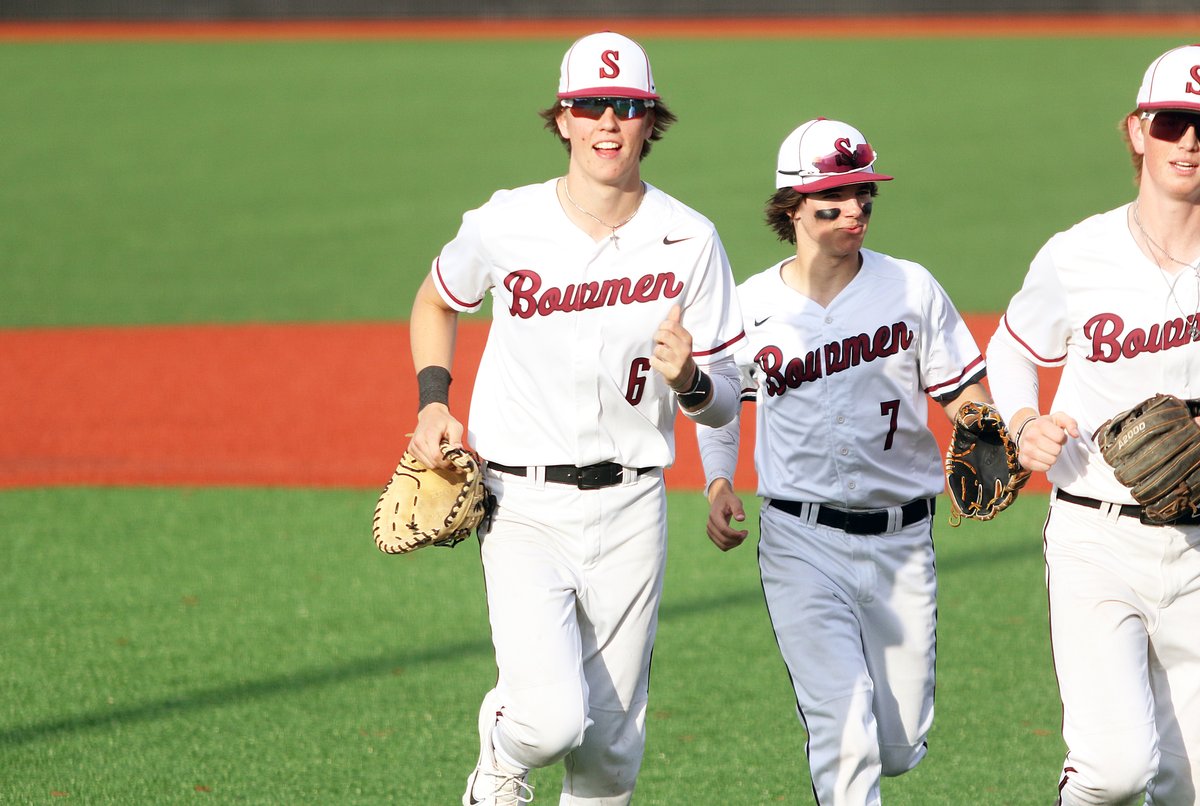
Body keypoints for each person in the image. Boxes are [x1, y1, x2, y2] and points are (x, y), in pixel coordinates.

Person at [406, 31, 745, 806]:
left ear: (648, 121)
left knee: (612, 755)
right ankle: (500, 746)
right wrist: (433, 400)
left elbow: (726, 393)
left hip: (631, 508)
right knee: (552, 721)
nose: (607, 123)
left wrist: (691, 379)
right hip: (521, 503)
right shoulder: (505, 222)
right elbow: (436, 300)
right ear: (561, 119)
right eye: (589, 105)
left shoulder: (691, 239)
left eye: (625, 107)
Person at [697, 117, 989, 805]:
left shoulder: (910, 288)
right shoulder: (753, 306)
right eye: (836, 197)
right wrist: (718, 480)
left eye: (863, 193)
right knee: (847, 727)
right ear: (792, 207)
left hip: (902, 541)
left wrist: (983, 429)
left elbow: (961, 387)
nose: (856, 208)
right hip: (802, 540)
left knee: (895, 744)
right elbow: (723, 399)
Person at [986, 44, 1200, 805]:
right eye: (1172, 121)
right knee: (1114, 772)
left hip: (1199, 549)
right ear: (1138, 132)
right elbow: (1010, 348)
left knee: (1191, 784)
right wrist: (1022, 421)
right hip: (1095, 535)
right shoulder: (1081, 253)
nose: (1190, 140)